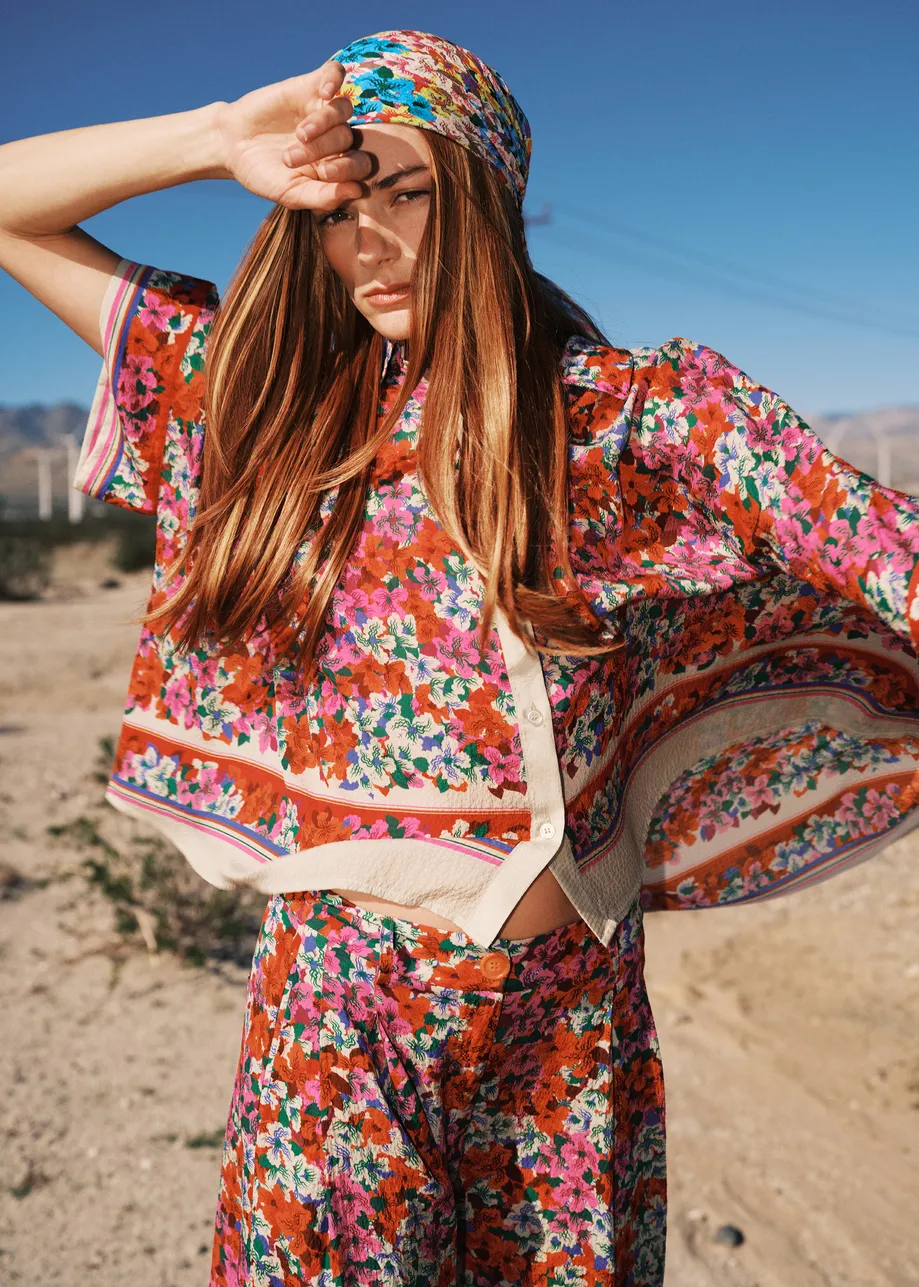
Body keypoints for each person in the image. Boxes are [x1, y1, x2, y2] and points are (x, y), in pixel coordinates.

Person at [1, 27, 917, 1287]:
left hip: (568, 1040)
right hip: (333, 1025)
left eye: (407, 192)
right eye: (337, 207)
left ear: (487, 196)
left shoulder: (635, 420)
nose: (364, 241)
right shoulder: (265, 407)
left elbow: (881, 546)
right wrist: (216, 140)